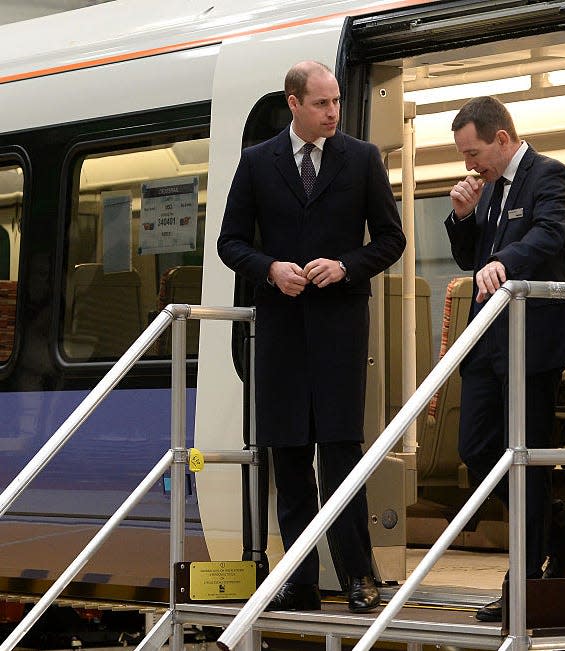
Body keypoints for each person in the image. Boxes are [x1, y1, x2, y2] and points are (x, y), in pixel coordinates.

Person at [217, 61, 406, 614]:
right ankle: (299, 582)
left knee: (342, 456)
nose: (333, 112)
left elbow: (390, 240)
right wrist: (270, 268)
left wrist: (346, 267)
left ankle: (358, 578)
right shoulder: (256, 164)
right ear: (293, 102)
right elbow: (230, 243)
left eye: (337, 102)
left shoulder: (363, 159)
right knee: (291, 460)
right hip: (279, 333)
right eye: (322, 103)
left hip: (339, 333)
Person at [445, 96, 565, 622]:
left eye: (474, 152)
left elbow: (550, 236)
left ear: (502, 139)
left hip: (534, 342)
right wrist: (461, 217)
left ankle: (522, 586)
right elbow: (470, 258)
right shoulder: (484, 192)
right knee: (478, 449)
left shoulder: (548, 175)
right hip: (488, 343)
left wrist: (504, 261)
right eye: (463, 155)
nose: (469, 165)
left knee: (524, 456)